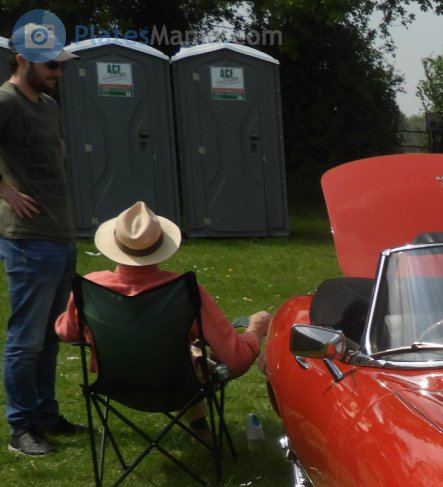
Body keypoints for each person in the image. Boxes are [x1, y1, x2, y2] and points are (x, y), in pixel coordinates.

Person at [55, 202, 271, 441]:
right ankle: (199, 426)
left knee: (191, 353)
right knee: (201, 356)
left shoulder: (90, 287)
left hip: (116, 386)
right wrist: (257, 328)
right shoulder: (183, 292)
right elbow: (236, 359)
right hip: (180, 386)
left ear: (116, 244)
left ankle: (198, 426)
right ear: (161, 246)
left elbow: (67, 333)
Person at [0, 24, 79, 458]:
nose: (57, 73)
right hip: (28, 239)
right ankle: (21, 426)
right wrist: (7, 192)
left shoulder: (48, 106)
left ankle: (47, 414)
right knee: (26, 339)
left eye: (61, 66)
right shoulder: (6, 101)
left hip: (60, 233)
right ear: (22, 60)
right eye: (51, 65)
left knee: (51, 335)